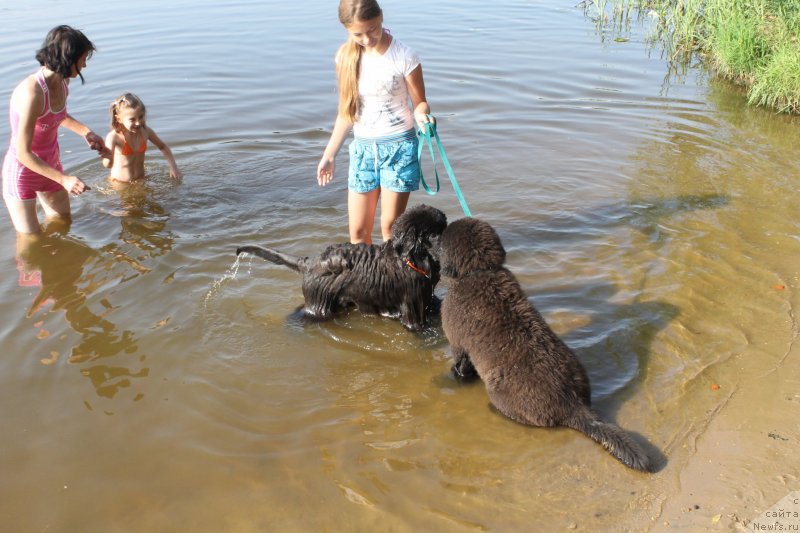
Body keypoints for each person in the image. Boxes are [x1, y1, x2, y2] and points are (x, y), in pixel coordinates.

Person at [317, 0, 434, 245]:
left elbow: (420, 103)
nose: (367, 39)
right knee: (358, 234)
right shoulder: (345, 58)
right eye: (358, 34)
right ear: (347, 29)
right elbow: (347, 112)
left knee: (390, 230)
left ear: (381, 17)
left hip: (399, 148)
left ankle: (393, 271)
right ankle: (366, 272)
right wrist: (329, 154)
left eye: (372, 30)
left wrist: (423, 117)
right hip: (363, 152)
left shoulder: (404, 55)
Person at [2, 25, 110, 235]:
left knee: (62, 223)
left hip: (50, 163)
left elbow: (57, 116)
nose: (85, 64)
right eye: (82, 59)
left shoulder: (63, 82)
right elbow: (23, 153)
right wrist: (64, 179)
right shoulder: (32, 92)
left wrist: (86, 132)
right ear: (68, 59)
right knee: (32, 241)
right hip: (23, 172)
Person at [102, 92, 182, 182]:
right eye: (132, 119)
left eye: (141, 117)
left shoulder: (146, 131)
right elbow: (107, 165)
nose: (138, 123)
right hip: (119, 183)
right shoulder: (113, 137)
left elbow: (163, 147)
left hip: (141, 180)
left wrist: (173, 167)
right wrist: (109, 158)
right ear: (119, 119)